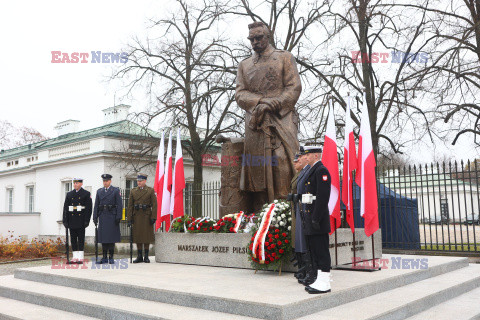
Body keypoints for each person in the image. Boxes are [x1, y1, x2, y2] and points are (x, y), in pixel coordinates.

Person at [235, 21, 302, 212]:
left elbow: (294, 87)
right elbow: (240, 93)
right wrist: (260, 102)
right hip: (256, 121)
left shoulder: (285, 58)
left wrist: (276, 102)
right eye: (251, 39)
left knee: (282, 160)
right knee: (257, 170)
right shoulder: (244, 65)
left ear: (267, 36)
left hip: (282, 118)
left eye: (259, 38)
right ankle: (261, 212)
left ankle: (285, 210)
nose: (255, 42)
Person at [300, 146, 332, 294]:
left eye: (308, 155)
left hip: (317, 218)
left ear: (315, 155)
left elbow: (323, 197)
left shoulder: (321, 171)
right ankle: (320, 279)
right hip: (311, 217)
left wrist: (316, 218)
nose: (305, 157)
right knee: (316, 250)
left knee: (322, 250)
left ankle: (325, 282)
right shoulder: (313, 170)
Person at [291, 148, 312, 281]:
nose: (295, 163)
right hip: (297, 208)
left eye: (297, 160)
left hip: (303, 209)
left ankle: (307, 269)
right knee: (298, 239)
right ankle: (302, 267)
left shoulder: (307, 172)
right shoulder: (298, 174)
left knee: (303, 240)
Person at [127, 173, 157, 263]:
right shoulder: (133, 191)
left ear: (145, 181)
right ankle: (139, 255)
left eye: (140, 181)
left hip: (146, 215)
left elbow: (155, 205)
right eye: (138, 181)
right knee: (138, 236)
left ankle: (146, 256)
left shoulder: (150, 190)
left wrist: (153, 217)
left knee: (146, 236)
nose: (138, 183)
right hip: (136, 215)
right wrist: (129, 219)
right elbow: (130, 206)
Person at [93, 174, 123, 264]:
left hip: (111, 216)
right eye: (104, 181)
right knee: (103, 239)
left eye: (106, 181)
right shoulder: (99, 191)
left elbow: (119, 205)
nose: (105, 183)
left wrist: (118, 217)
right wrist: (95, 217)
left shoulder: (115, 190)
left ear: (110, 181)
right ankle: (104, 257)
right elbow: (96, 205)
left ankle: (111, 257)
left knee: (111, 238)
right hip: (102, 216)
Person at [62, 178, 92, 264]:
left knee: (81, 239)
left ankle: (80, 257)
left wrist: (87, 220)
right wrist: (65, 220)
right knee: (73, 239)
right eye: (74, 183)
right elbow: (65, 208)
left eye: (77, 183)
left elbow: (89, 208)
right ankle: (75, 257)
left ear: (81, 184)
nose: (75, 184)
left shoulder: (86, 194)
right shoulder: (69, 194)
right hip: (72, 220)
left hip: (81, 220)